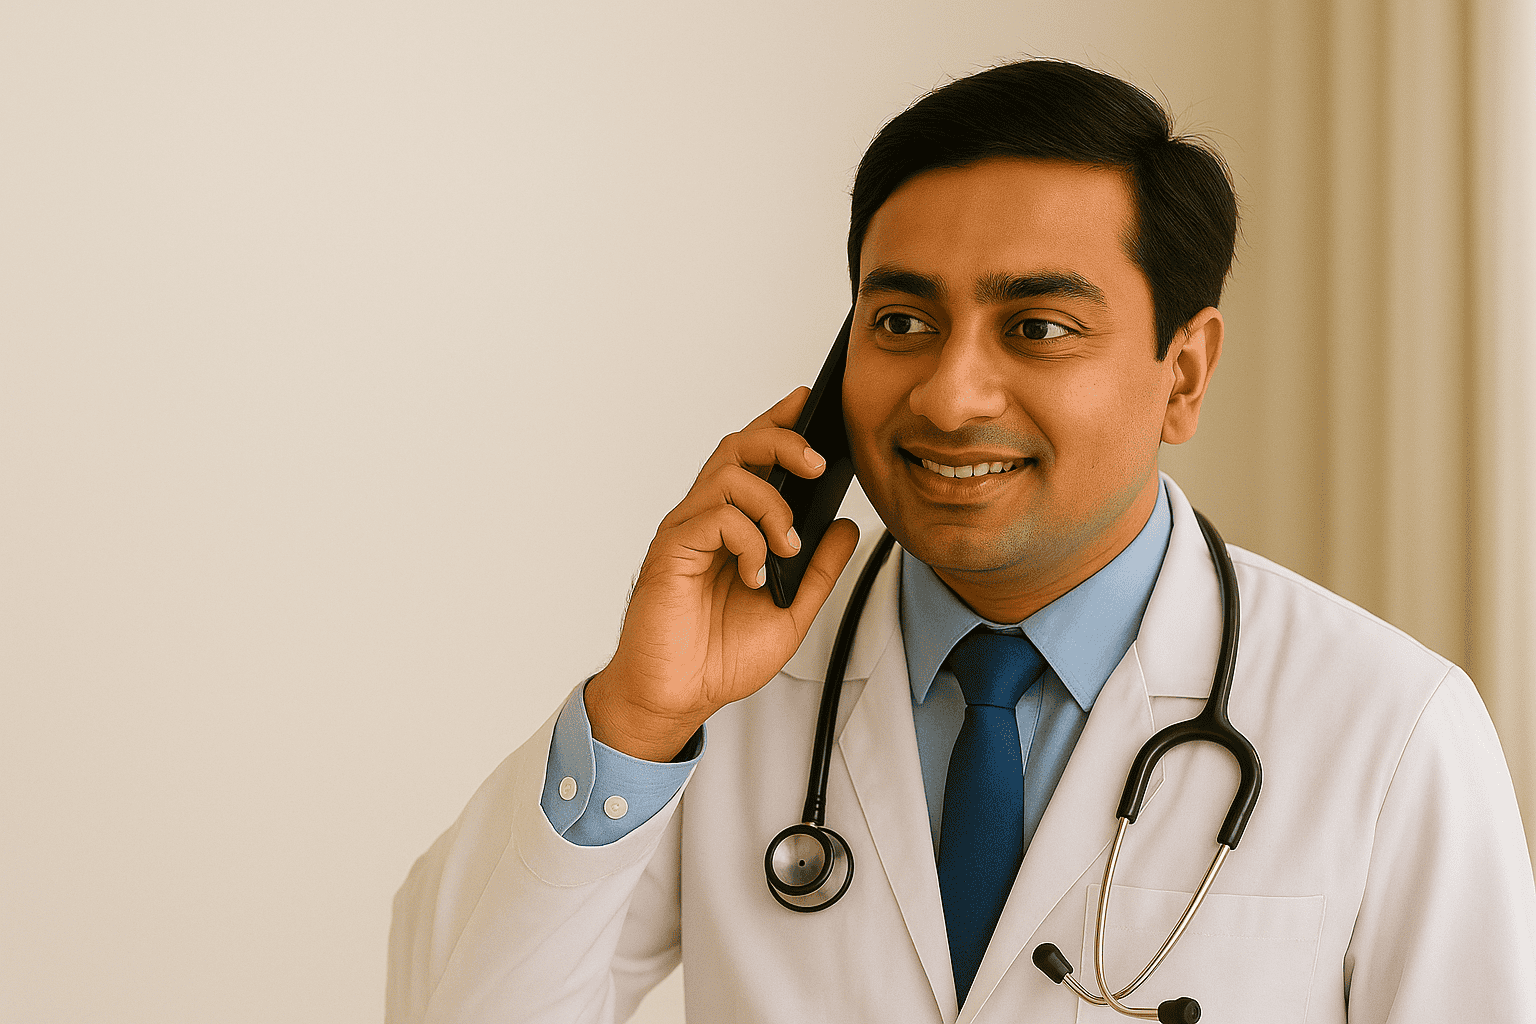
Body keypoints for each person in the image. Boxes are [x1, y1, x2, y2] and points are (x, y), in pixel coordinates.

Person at [386, 60, 1536, 1023]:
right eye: (901, 323)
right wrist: (638, 718)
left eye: (1035, 327)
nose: (949, 393)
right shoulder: (722, 699)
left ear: (1182, 375)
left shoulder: (1391, 729)